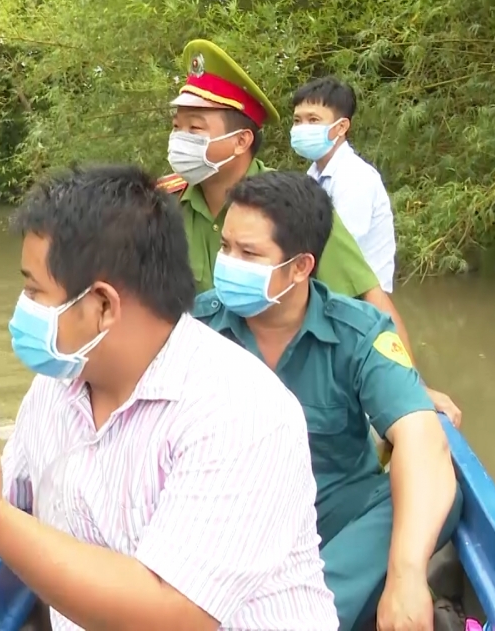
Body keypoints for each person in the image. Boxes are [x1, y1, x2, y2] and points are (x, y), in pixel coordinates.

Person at [0, 164, 339, 630]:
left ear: (103, 305)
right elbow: (13, 489)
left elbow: (174, 615)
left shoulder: (244, 411)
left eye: (33, 290)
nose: (23, 309)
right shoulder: (59, 382)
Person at [192, 170, 463, 631]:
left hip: (332, 524)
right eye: (225, 247)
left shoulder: (358, 333)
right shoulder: (193, 329)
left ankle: (303, 614)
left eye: (249, 253)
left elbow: (419, 435)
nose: (229, 263)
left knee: (431, 486)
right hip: (227, 523)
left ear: (301, 267)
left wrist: (405, 575)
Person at [159, 38, 461, 427]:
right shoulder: (160, 207)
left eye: (195, 129)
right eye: (177, 127)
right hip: (197, 400)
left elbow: (369, 297)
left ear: (241, 141)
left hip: (286, 400)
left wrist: (411, 387)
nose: (179, 139)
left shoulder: (294, 207)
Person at [291, 77, 397, 292]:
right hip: (329, 291)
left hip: (361, 299)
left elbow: (336, 249)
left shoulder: (356, 178)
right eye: (297, 120)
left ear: (341, 127)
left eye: (313, 120)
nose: (303, 128)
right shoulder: (313, 175)